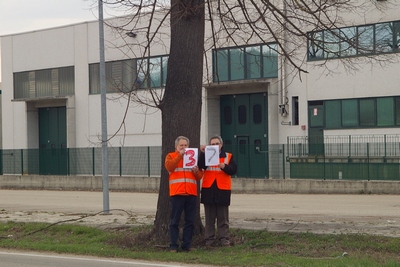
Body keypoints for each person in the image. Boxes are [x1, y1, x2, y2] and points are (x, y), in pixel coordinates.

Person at [165, 136, 203, 252]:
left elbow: (199, 177)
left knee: (190, 221)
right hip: (177, 193)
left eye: (185, 145)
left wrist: (196, 171)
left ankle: (187, 245)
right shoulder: (171, 156)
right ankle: (173, 245)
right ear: (176, 146)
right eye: (181, 145)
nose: (183, 147)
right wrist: (179, 155)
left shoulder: (193, 157)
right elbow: (169, 167)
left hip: (191, 193)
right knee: (174, 221)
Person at [198, 135, 237, 247]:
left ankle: (224, 239)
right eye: (212, 144)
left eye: (217, 144)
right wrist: (203, 153)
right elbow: (201, 165)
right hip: (208, 190)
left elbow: (233, 170)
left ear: (221, 145)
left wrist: (224, 166)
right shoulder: (206, 155)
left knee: (223, 218)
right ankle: (209, 240)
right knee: (209, 218)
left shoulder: (228, 156)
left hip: (223, 190)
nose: (215, 146)